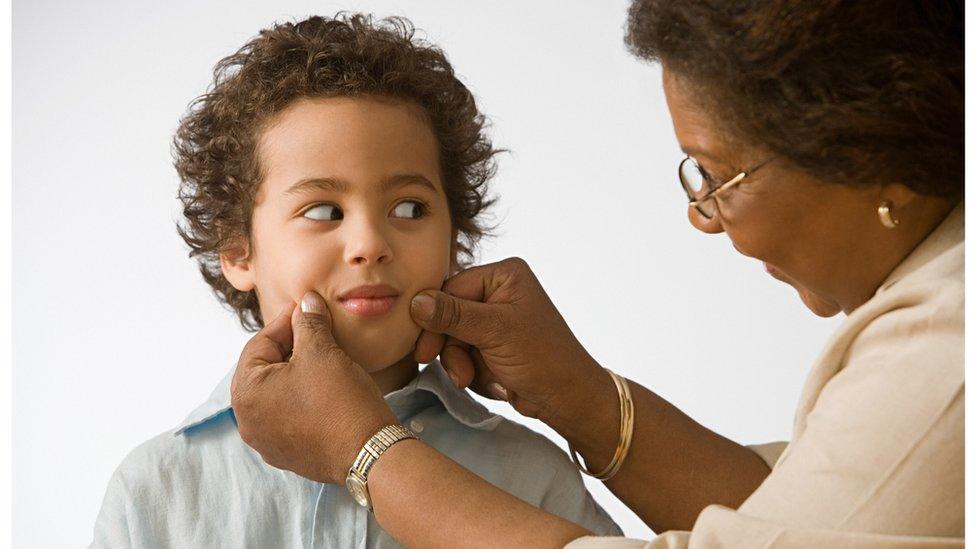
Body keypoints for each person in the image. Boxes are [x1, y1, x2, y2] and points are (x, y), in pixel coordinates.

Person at [228, 0, 964, 547]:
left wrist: (367, 451)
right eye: (322, 211)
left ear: (875, 164)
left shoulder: (951, 348)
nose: (701, 214)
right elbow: (814, 520)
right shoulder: (158, 478)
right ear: (236, 249)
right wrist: (582, 395)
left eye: (713, 173)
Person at [90, 14, 622, 548]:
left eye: (410, 208)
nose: (370, 243)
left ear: (453, 235)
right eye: (323, 211)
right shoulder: (156, 492)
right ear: (237, 249)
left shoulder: (535, 478)